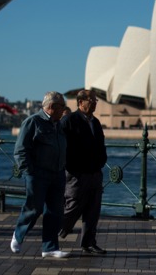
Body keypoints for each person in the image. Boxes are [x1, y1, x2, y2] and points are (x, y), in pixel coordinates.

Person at [10, 91, 69, 258]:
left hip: (57, 173)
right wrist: (29, 172)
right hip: (38, 174)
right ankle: (18, 235)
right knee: (34, 208)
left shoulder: (58, 124)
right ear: (51, 107)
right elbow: (20, 150)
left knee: (54, 211)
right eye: (61, 107)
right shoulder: (33, 122)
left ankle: (50, 247)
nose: (63, 110)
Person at [59, 89, 108, 255]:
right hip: (77, 174)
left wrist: (102, 161)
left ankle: (89, 243)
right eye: (91, 100)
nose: (94, 103)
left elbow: (101, 144)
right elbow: (62, 147)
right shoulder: (69, 121)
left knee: (93, 211)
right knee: (72, 207)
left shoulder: (95, 122)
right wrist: (72, 169)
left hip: (95, 172)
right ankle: (55, 233)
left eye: (95, 100)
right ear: (81, 102)